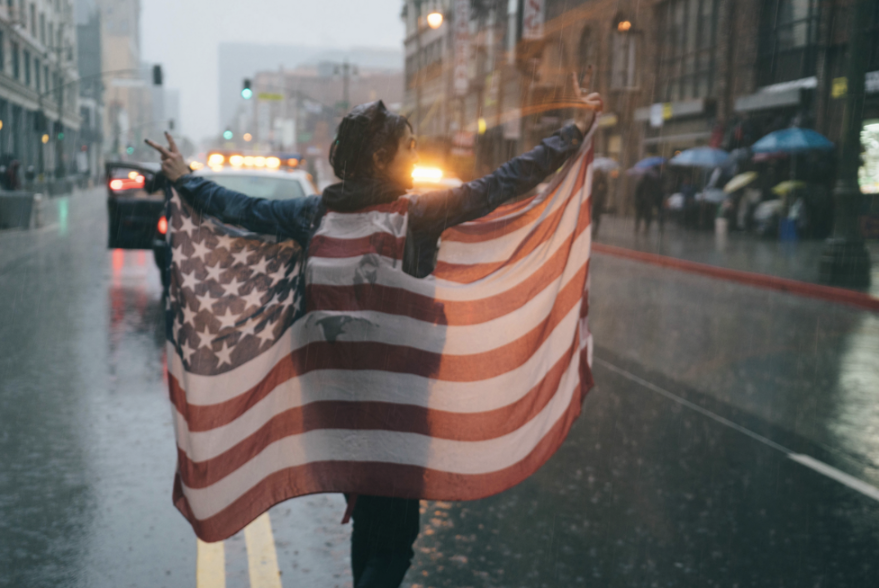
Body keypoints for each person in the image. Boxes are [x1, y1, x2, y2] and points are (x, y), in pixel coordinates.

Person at [147, 74, 602, 588]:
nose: (415, 156)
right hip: (401, 406)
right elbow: (504, 183)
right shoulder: (421, 213)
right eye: (407, 148)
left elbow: (243, 210)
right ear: (382, 158)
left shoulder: (317, 213)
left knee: (370, 519)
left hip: (337, 402)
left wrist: (187, 178)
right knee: (395, 541)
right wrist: (573, 132)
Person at [591, 167, 608, 238]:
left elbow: (605, 191)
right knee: (592, 216)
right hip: (593, 201)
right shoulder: (593, 180)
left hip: (599, 202)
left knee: (597, 217)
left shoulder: (603, 181)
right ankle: (591, 230)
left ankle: (595, 230)